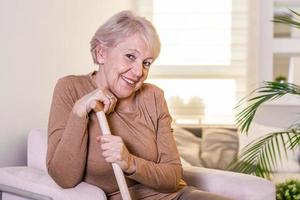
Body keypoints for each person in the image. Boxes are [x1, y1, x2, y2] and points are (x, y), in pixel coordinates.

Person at [46, 10, 232, 200]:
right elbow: (63, 178)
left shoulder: (154, 97)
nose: (138, 72)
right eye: (130, 56)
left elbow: (173, 177)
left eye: (147, 63)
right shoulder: (70, 89)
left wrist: (129, 162)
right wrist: (79, 112)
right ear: (101, 53)